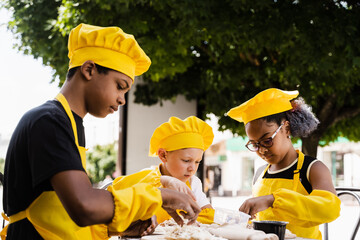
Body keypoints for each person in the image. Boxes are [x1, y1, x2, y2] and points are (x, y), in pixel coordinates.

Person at [2, 23, 201, 240]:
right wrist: (158, 196)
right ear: (89, 70)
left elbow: (59, 211)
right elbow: (84, 205)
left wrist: (113, 228)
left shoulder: (69, 123)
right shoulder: (48, 121)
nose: (122, 100)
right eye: (120, 86)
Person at [226, 88, 341, 240]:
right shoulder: (260, 174)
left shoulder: (312, 169)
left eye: (267, 140)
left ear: (286, 128)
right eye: (255, 145)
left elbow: (330, 209)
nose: (262, 150)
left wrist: (274, 200)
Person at [110, 116, 215, 224]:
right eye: (186, 160)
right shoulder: (147, 177)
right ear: (163, 155)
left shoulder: (194, 183)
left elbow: (208, 214)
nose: (192, 168)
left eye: (197, 162)